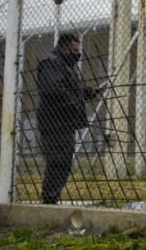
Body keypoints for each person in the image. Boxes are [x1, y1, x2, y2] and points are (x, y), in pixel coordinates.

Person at [36, 33, 100, 204]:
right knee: (57, 161)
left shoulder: (66, 66)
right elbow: (52, 90)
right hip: (54, 122)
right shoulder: (51, 63)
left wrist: (85, 92)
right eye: (74, 50)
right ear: (65, 48)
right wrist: (76, 99)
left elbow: (70, 88)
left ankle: (51, 197)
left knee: (64, 162)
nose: (77, 54)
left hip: (65, 122)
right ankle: (49, 199)